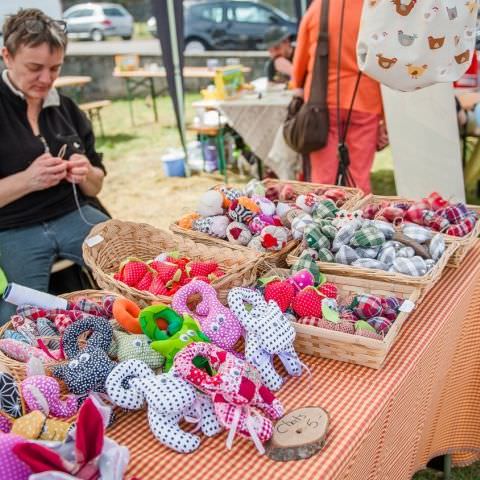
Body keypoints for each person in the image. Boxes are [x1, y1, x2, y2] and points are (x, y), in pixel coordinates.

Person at [0, 9, 110, 324]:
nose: (46, 80)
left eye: (55, 68)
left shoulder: (66, 108)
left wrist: (86, 173)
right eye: (34, 68)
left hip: (74, 215)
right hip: (14, 229)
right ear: (7, 56)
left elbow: (96, 185)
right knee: (20, 317)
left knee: (130, 267)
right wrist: (27, 180)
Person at [292, 0, 383, 193]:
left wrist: (297, 85)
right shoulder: (376, 7)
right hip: (366, 100)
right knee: (358, 178)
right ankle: (358, 220)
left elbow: (300, 58)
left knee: (322, 179)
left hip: (322, 101)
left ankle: (321, 219)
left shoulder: (318, 7)